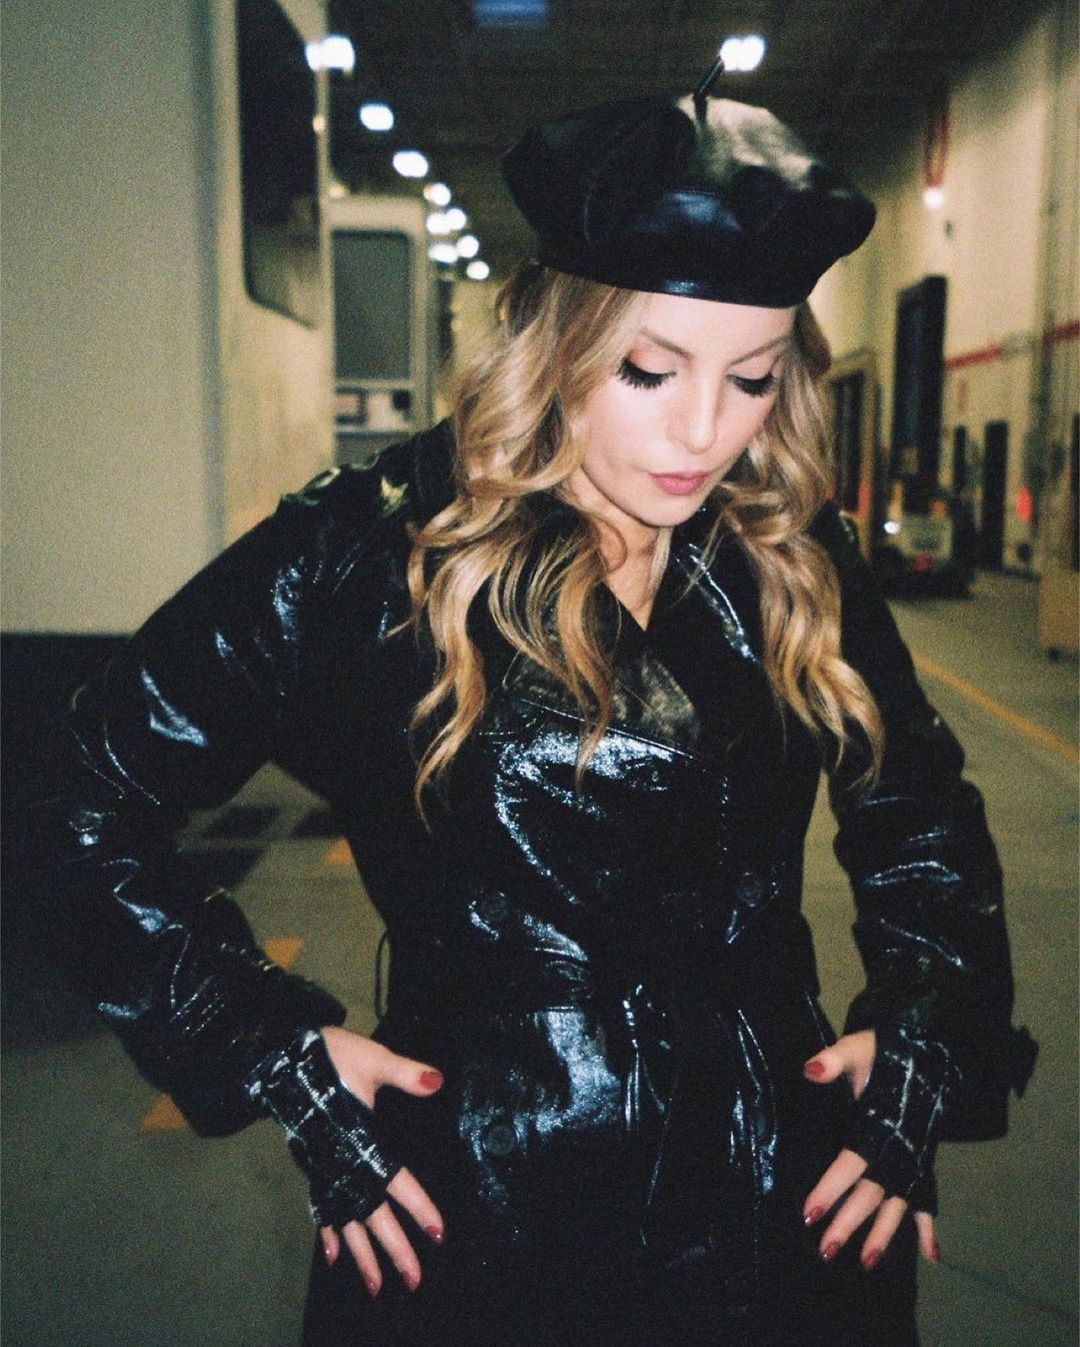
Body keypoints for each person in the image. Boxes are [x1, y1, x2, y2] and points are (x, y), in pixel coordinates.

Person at [28, 70, 1034, 1346]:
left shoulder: (791, 554)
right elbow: (78, 802)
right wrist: (270, 1047)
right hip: (477, 1193)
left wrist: (924, 1036)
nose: (704, 433)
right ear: (558, 342)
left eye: (753, 380)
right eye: (650, 370)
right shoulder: (369, 555)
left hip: (772, 1187)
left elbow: (921, 817)